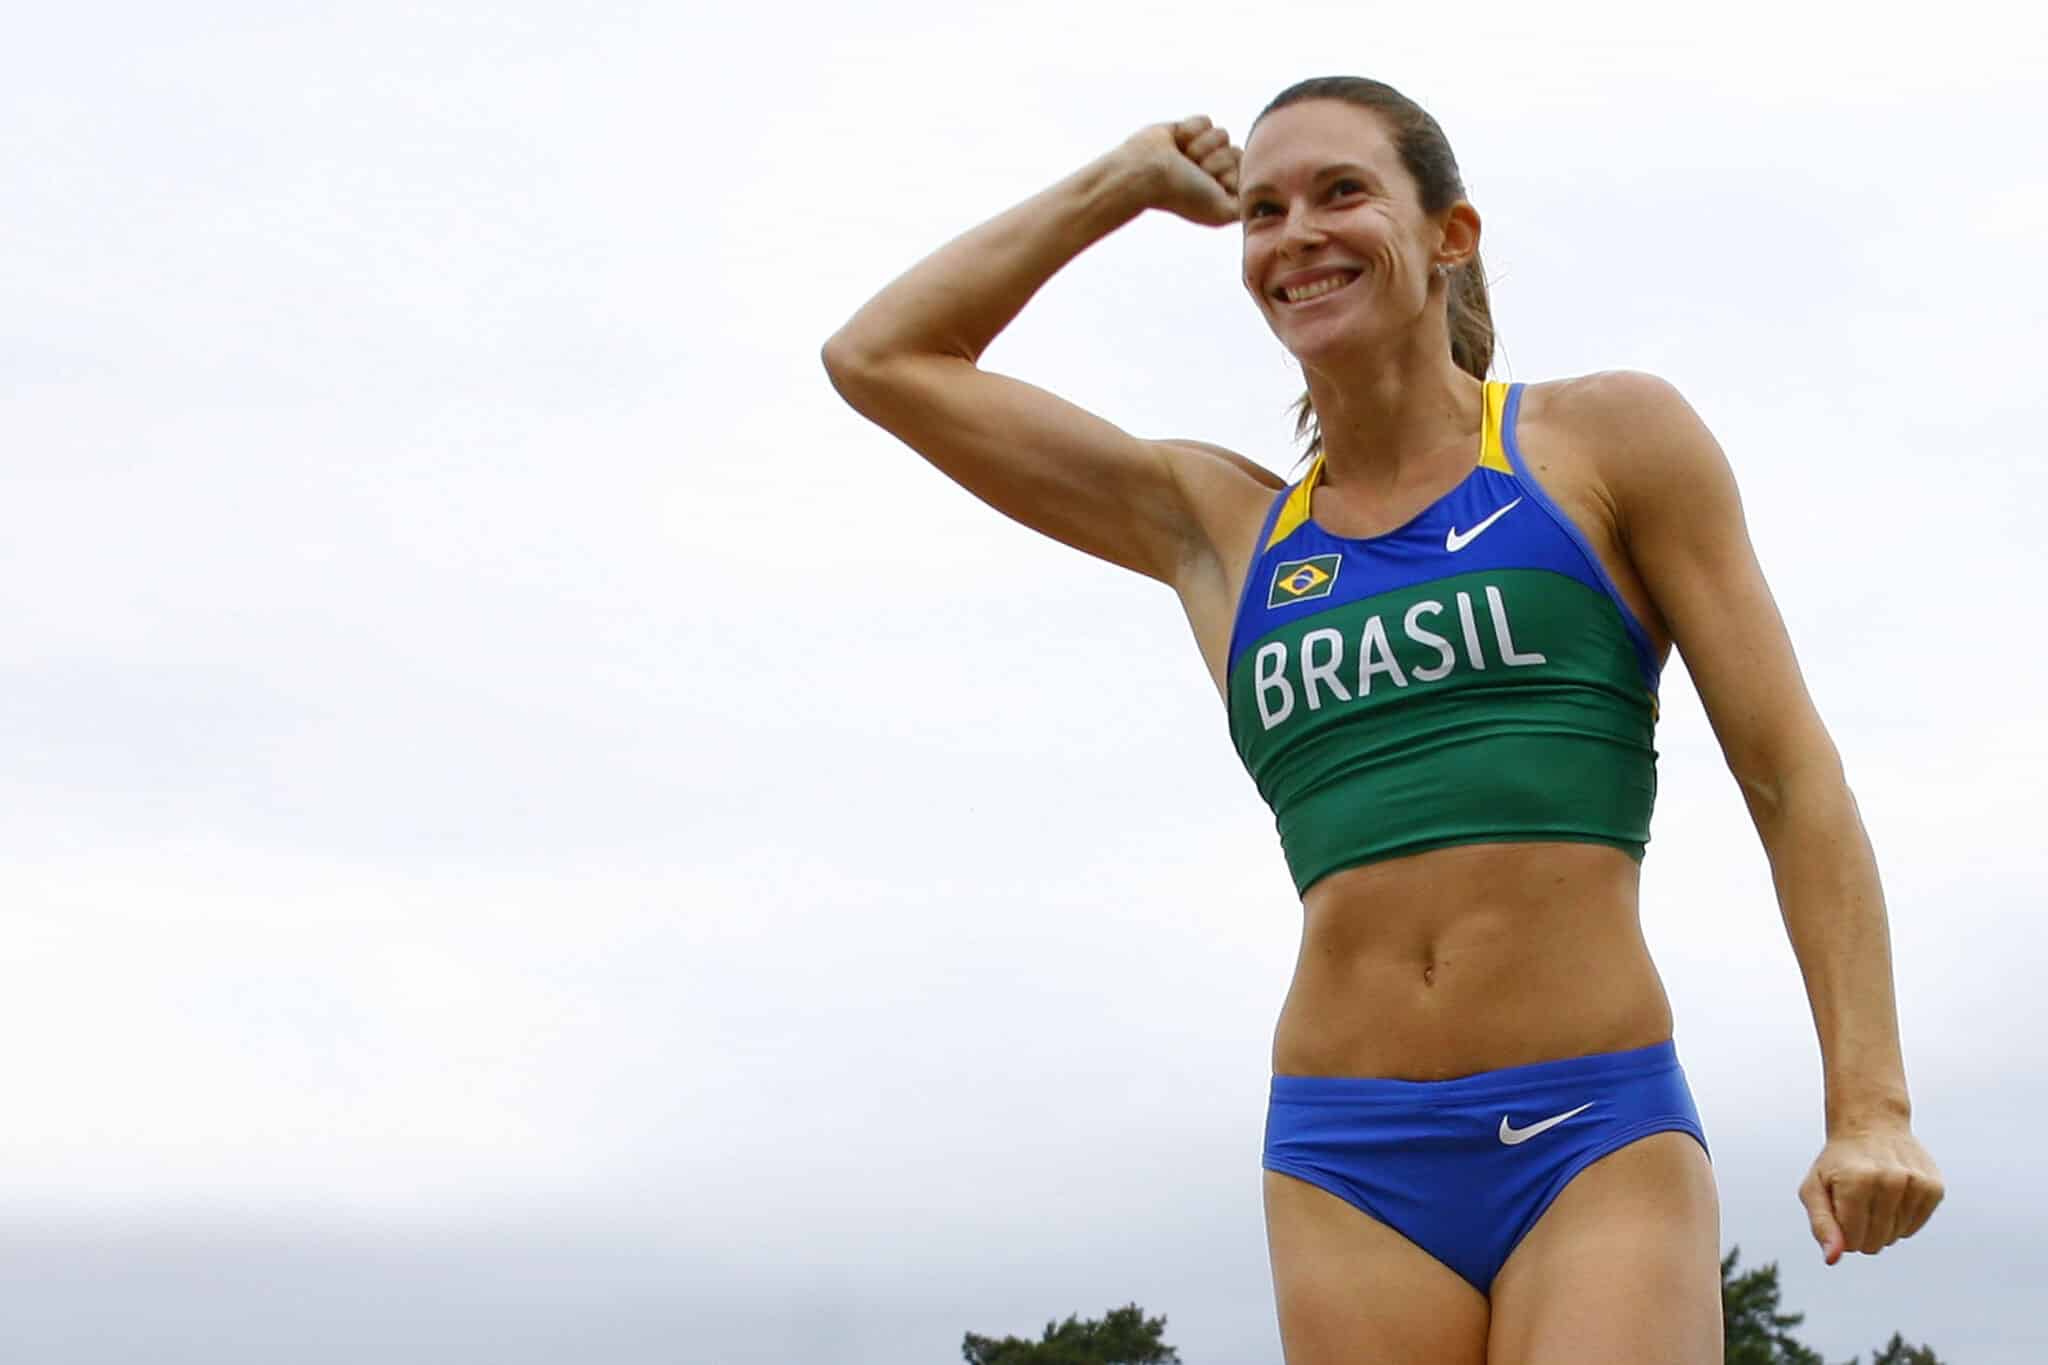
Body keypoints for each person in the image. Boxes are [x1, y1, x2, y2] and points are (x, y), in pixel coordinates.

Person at [821, 75, 1944, 1364]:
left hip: (1590, 1125)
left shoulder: (1602, 444)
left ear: (1450, 236)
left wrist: (1872, 1103)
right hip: (1345, 1153)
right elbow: (879, 359)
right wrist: (1123, 183)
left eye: (1341, 192)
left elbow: (1791, 777)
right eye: (1262, 211)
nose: (1295, 233)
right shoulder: (1222, 529)